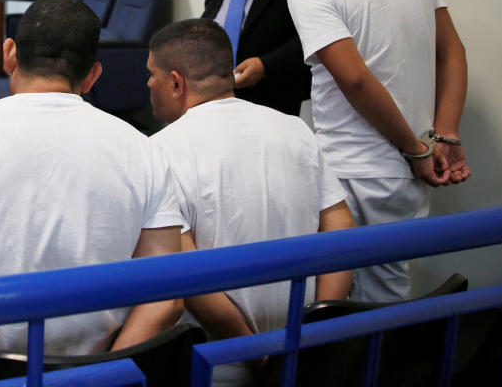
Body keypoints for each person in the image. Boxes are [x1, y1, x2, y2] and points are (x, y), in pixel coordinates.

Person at [0, 0, 184, 387]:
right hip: (91, 375)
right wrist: (101, 378)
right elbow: (165, 297)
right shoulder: (145, 149)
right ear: (93, 75)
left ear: (9, 53)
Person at [273, 0, 470, 302]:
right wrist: (444, 134)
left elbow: (355, 80)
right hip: (403, 171)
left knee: (348, 306)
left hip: (356, 167)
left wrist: (415, 149)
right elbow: (452, 52)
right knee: (385, 290)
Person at [147, 19, 354, 386]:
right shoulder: (294, 129)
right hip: (302, 352)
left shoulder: (161, 150)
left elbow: (186, 269)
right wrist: (320, 331)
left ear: (177, 83)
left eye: (152, 74)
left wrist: (259, 354)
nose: (148, 84)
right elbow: (340, 225)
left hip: (216, 364)